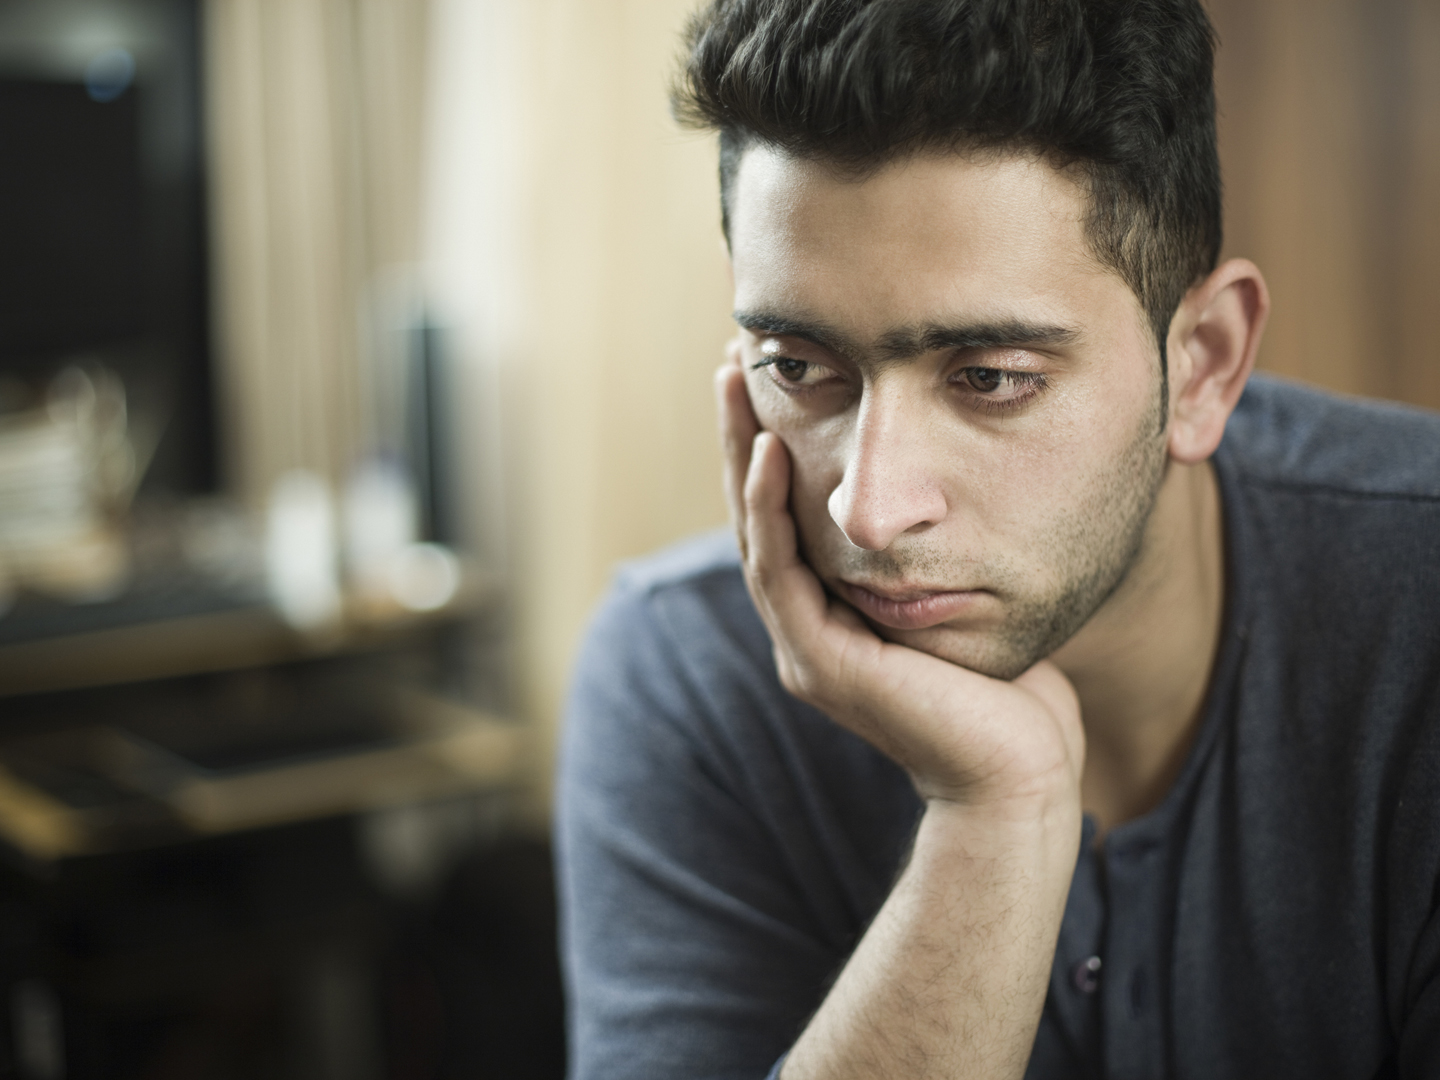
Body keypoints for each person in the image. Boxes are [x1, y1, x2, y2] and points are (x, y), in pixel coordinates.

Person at [556, 0, 1440, 1076]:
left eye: (990, 380)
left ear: (1203, 363)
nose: (868, 511)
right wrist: (995, 818)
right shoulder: (687, 678)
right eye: (797, 366)